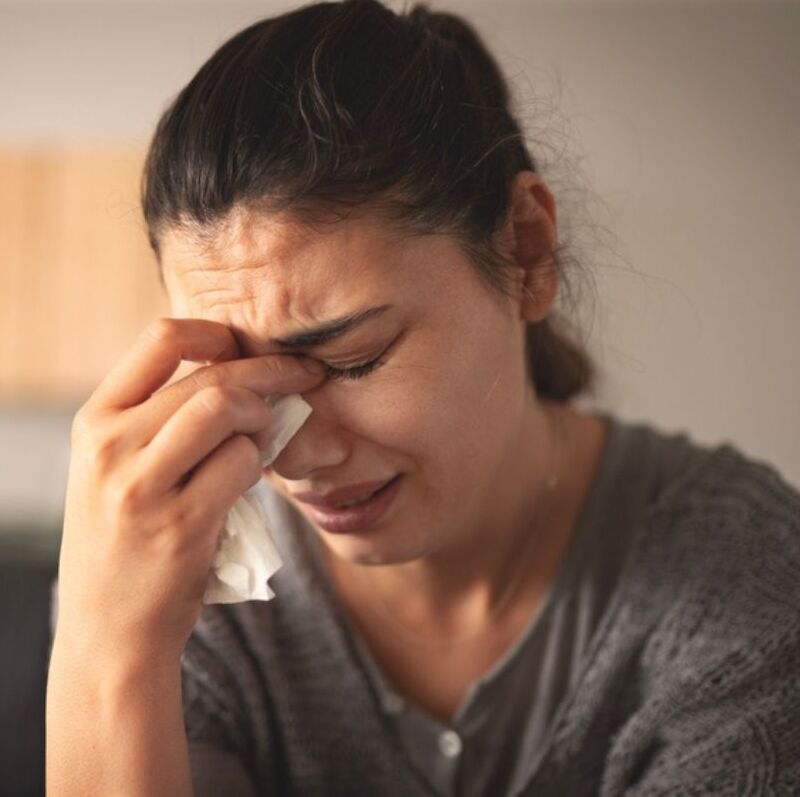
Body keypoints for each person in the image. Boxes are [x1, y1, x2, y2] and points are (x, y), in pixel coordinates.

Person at [45, 1, 800, 795]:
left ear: (527, 251)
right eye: (239, 380)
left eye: (353, 358)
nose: (293, 458)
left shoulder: (746, 579)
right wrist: (110, 650)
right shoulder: (177, 597)